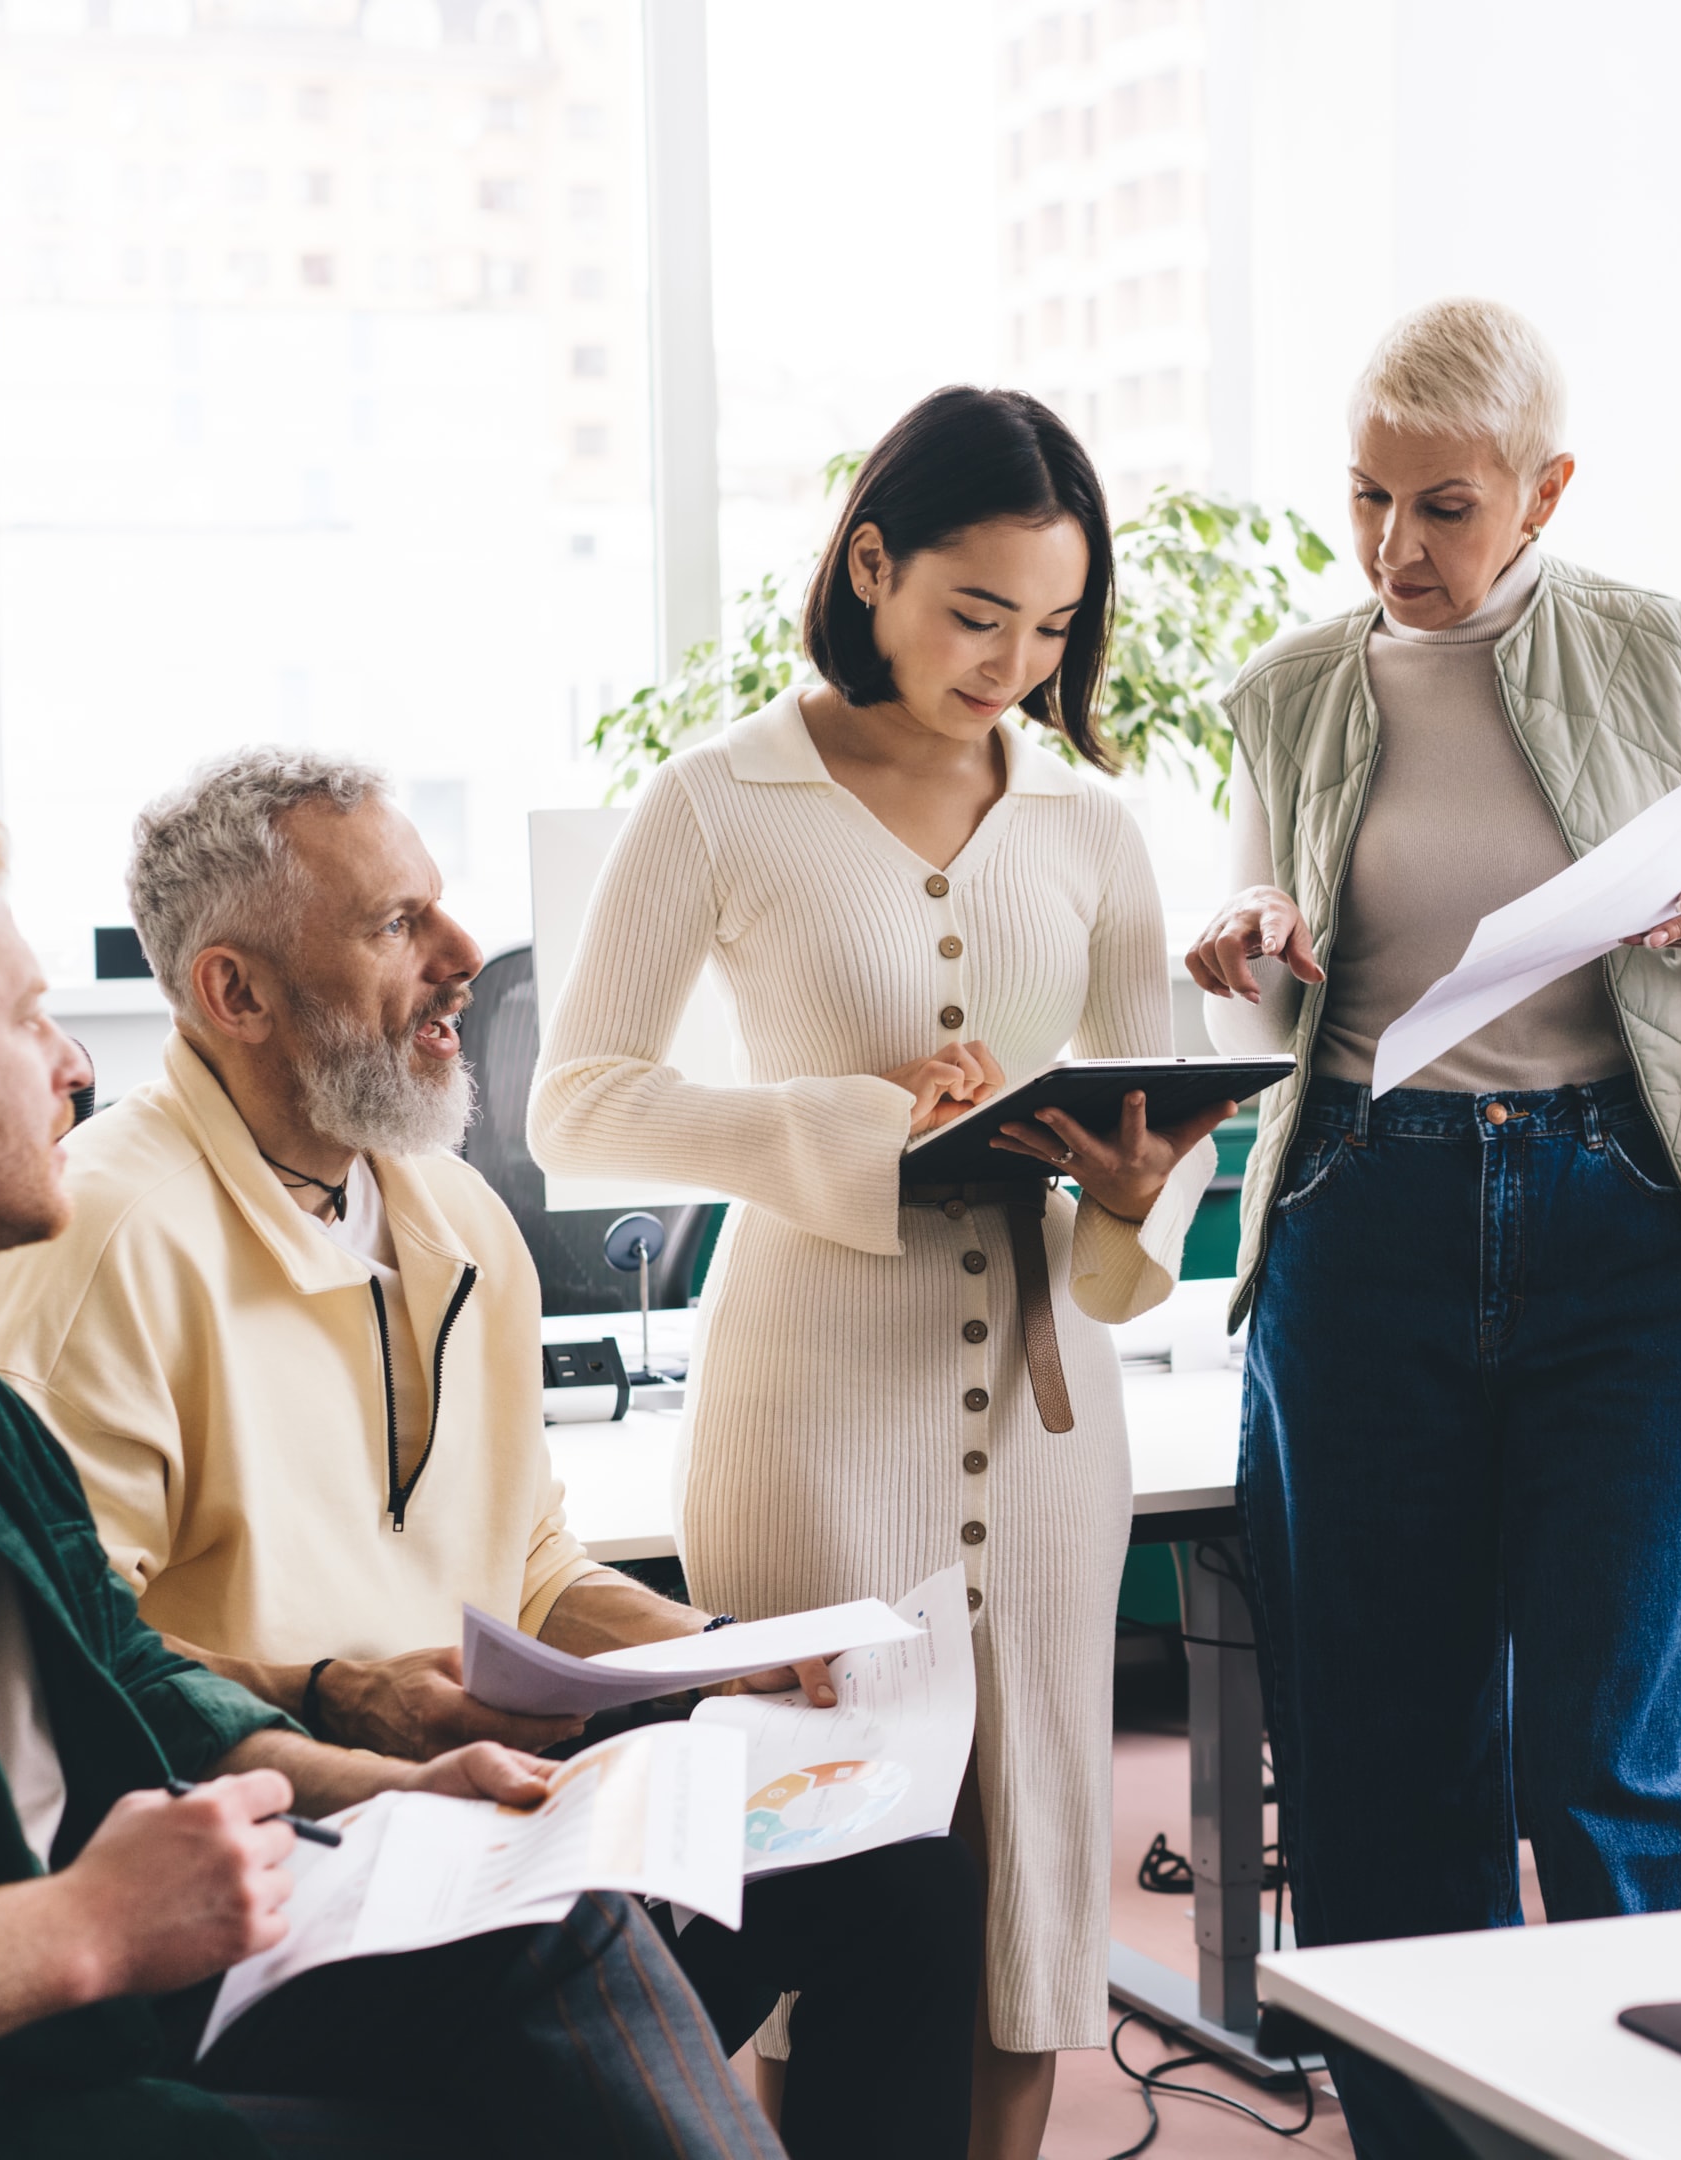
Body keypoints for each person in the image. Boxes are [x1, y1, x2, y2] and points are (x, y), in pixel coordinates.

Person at [0, 750, 782, 2158]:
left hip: (117, 2000)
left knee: (543, 1913)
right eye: (28, 1018)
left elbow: (128, 1673)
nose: (75, 1067)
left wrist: (402, 1792)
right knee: (555, 2004)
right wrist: (81, 1929)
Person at [0, 749, 983, 2158]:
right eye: (393, 926)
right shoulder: (100, 1246)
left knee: (894, 1864)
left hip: (485, 1787)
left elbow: (531, 1562)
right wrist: (348, 1697)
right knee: (568, 1921)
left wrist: (713, 1650)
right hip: (261, 1853)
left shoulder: (447, 1211)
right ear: (233, 994)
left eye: (438, 907)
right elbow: (67, 1668)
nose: (462, 956)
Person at [528, 386, 1223, 2160]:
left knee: (1027, 1880)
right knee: (822, 1856)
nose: (1010, 662)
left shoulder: (1090, 825)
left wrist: (1142, 1180)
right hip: (808, 1407)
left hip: (1046, 1427)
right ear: (870, 565)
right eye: (974, 611)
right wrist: (850, 1127)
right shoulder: (719, 797)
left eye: (1053, 626)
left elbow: (1165, 1119)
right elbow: (577, 1101)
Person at [1189, 297, 1681, 2158]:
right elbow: (1261, 1022)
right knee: (1379, 1756)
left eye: (1442, 505)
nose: (1394, 549)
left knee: (1616, 1757)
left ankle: (1651, 2130)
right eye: (1365, 499)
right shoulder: (1293, 688)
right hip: (1366, 1213)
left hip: (1615, 1215)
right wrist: (1237, 962)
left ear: (1544, 489)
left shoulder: (1656, 650)